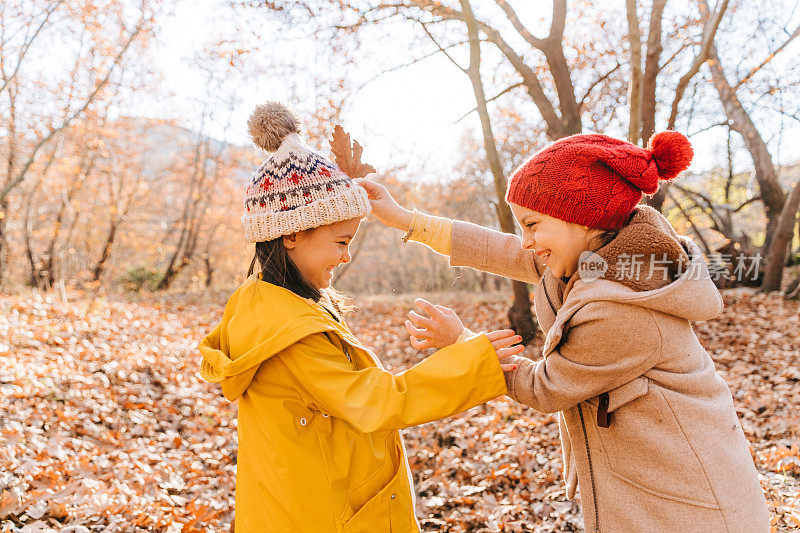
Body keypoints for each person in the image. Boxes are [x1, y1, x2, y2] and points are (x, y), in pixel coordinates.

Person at [358, 131, 771, 532]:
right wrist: (403, 218)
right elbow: (494, 248)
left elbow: (545, 388)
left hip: (688, 501)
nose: (525, 242)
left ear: (581, 216)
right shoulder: (593, 257)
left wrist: (464, 343)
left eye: (533, 224)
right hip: (648, 484)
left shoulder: (620, 307)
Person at [197, 102, 523, 533]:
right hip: (321, 516)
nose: (346, 255)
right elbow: (377, 401)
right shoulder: (289, 333)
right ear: (292, 234)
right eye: (340, 241)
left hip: (306, 503)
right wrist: (472, 363)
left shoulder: (273, 306)